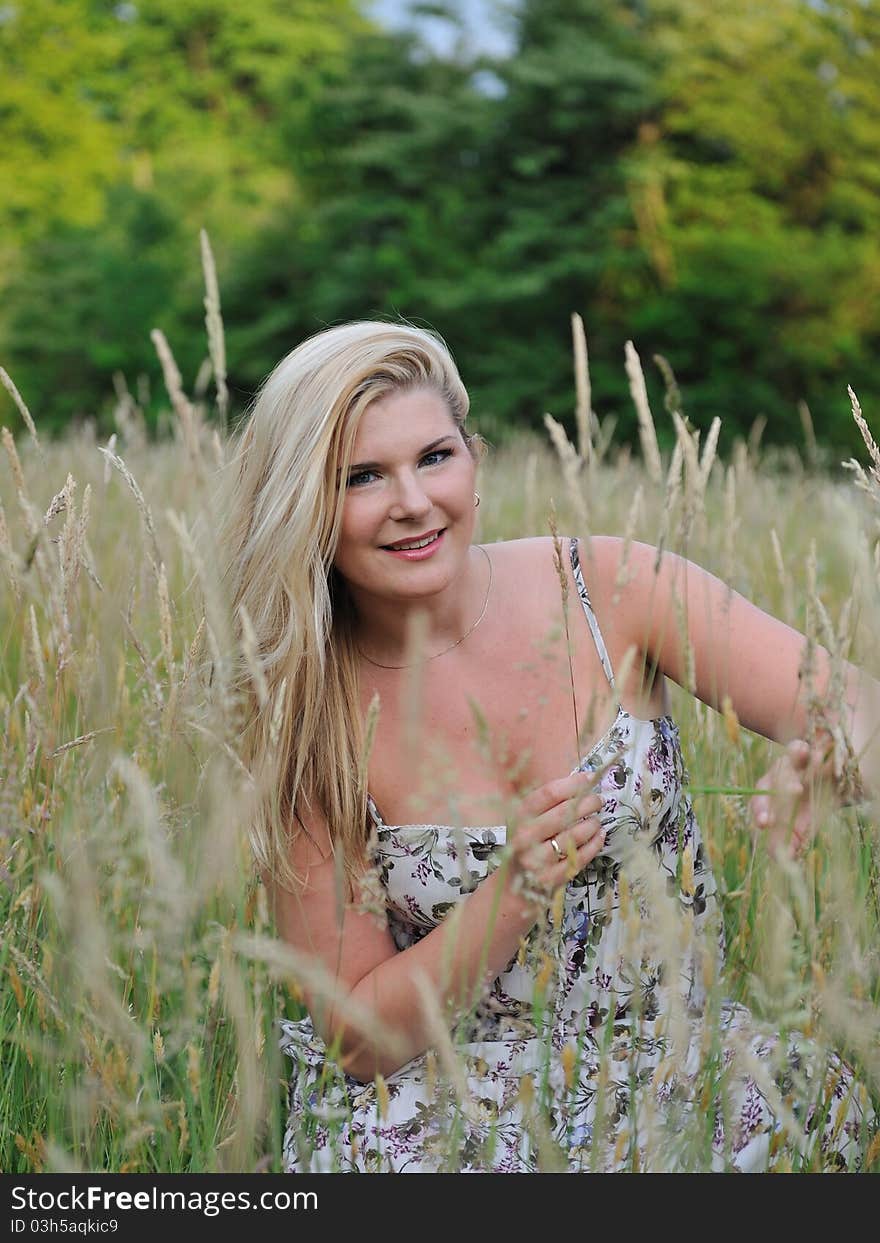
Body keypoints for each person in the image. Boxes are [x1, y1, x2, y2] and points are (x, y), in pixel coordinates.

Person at [219, 319, 878, 1173]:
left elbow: (858, 707)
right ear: (308, 506)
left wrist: (833, 754)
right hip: (443, 1107)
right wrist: (513, 892)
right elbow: (359, 1039)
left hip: (680, 1068)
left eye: (434, 457)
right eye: (362, 477)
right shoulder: (305, 712)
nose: (412, 500)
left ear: (475, 459)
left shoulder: (611, 589)